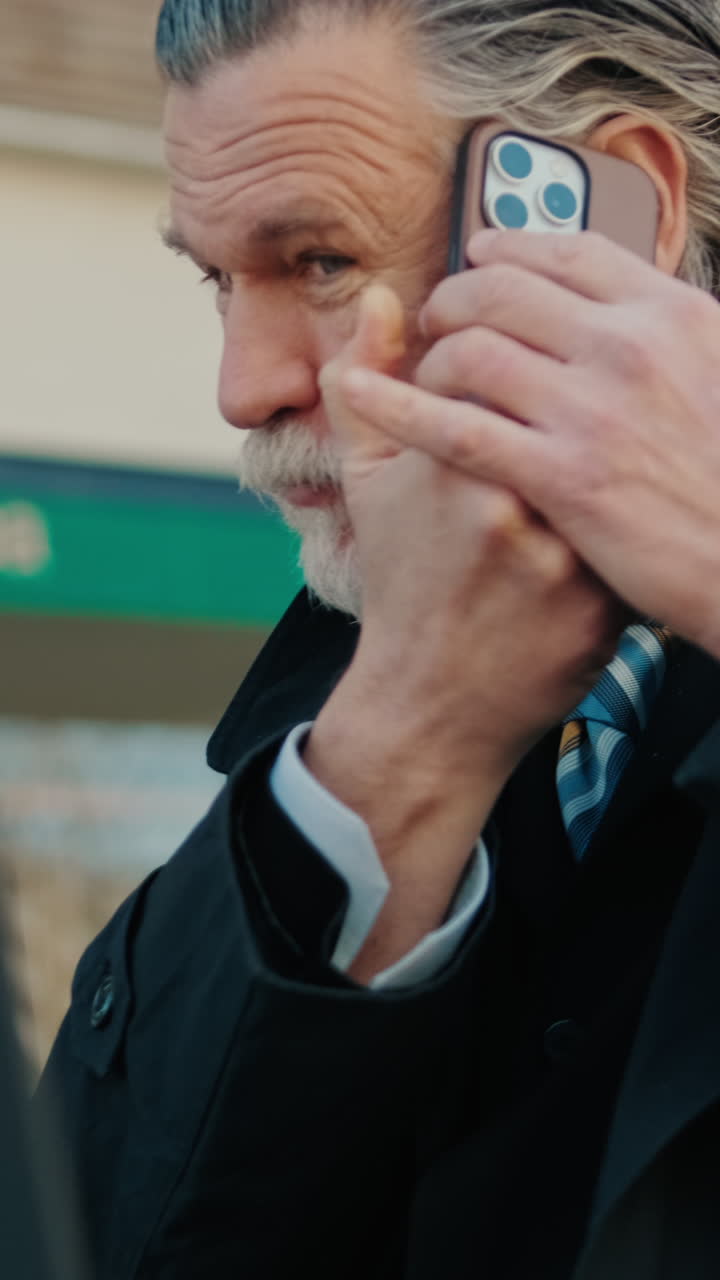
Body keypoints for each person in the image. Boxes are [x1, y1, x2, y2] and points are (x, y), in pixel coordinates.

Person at [38, 1, 720, 1276]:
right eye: (215, 279)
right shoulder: (329, 744)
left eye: (320, 262)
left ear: (609, 208)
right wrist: (404, 737)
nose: (242, 386)